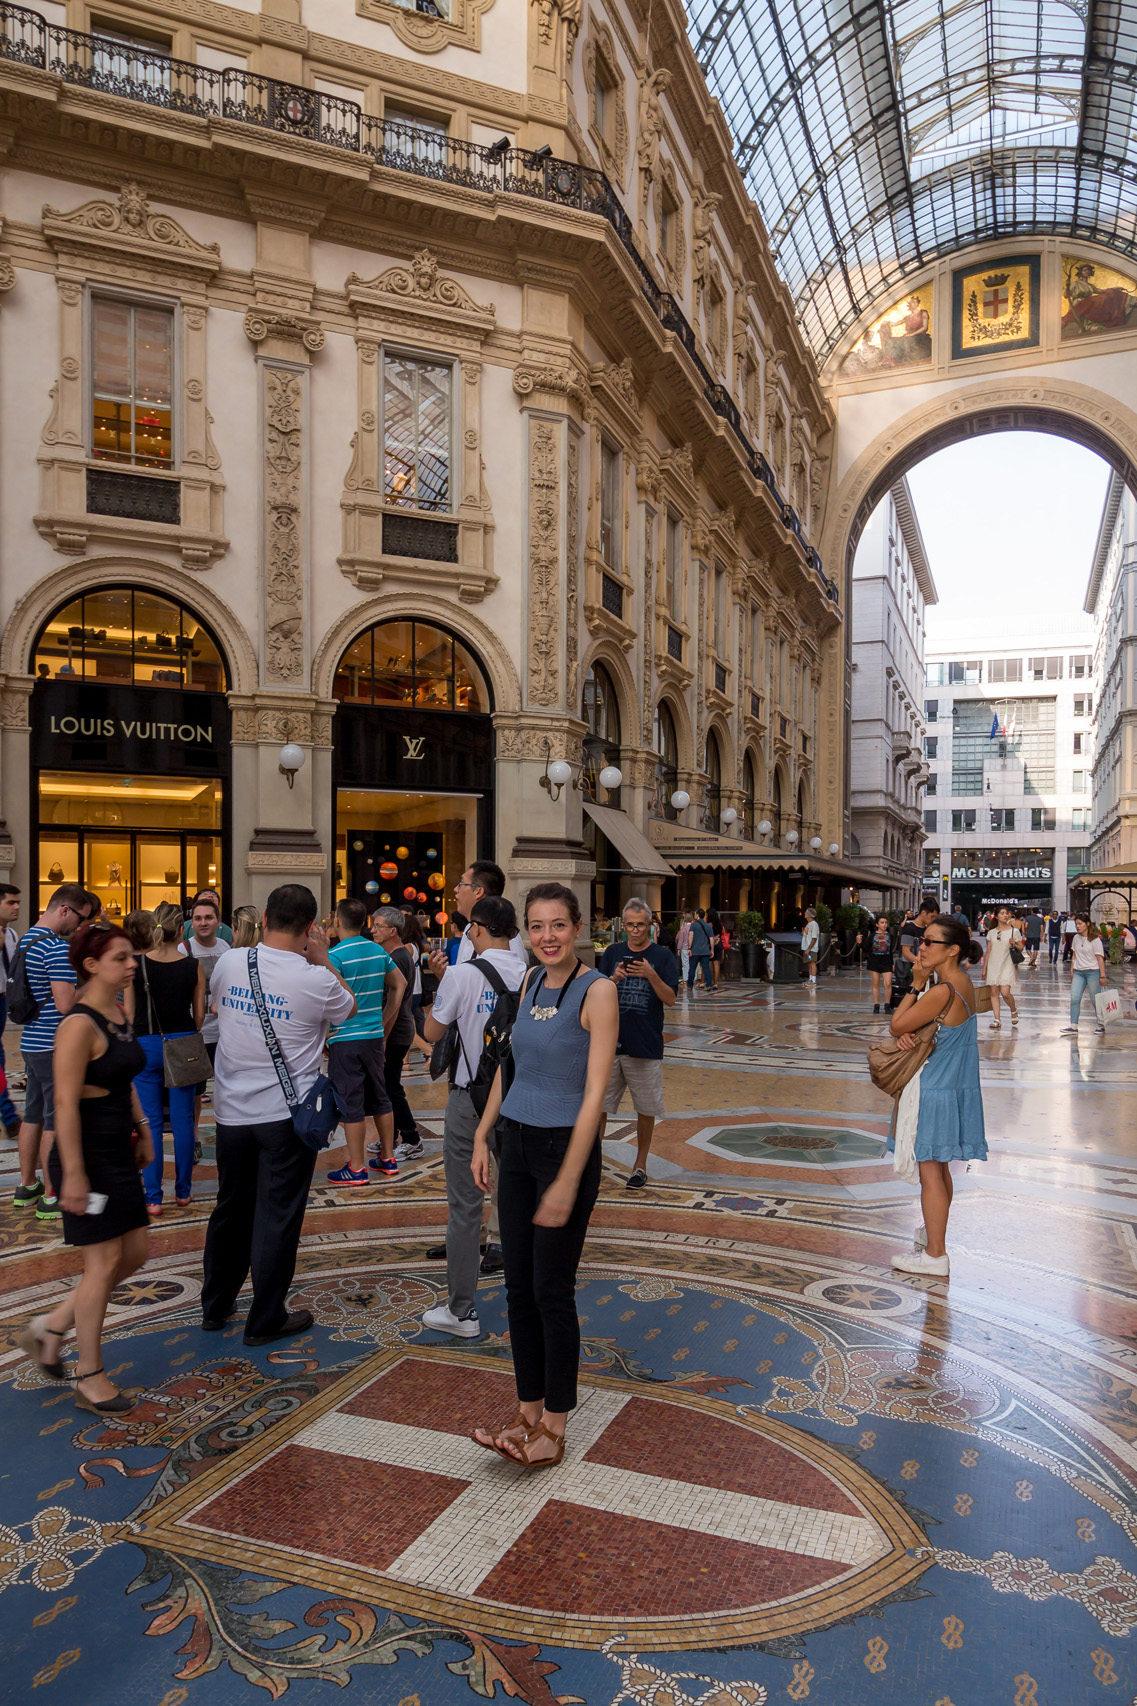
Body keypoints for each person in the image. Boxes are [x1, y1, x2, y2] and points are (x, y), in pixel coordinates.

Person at [469, 882, 618, 1467]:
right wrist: (484, 1134)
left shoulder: (597, 991)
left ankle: (553, 1426)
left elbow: (595, 1097)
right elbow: (513, 1067)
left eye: (557, 925)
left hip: (564, 1152)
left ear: (576, 927)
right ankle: (526, 1410)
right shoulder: (529, 981)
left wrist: (567, 1180)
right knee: (517, 1288)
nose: (546, 937)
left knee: (551, 1291)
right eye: (536, 926)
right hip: (518, 1145)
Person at [201, 885, 355, 1346]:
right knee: (276, 1216)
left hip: (230, 1114)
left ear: (265, 916)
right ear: (311, 928)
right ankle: (265, 1317)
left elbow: (216, 1005)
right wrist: (323, 956)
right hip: (287, 1118)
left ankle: (216, 1304)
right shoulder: (317, 979)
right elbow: (347, 1007)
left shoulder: (231, 961)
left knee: (230, 1208)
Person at [19, 921, 152, 1414]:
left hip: (118, 1146)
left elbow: (123, 1076)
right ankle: (89, 1376)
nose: (131, 964)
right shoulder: (76, 1025)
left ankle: (50, 1328)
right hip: (87, 1154)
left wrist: (142, 1127)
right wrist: (71, 1174)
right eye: (120, 958)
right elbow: (65, 1106)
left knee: (134, 1253)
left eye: (130, 956)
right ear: (91, 965)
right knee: (101, 1265)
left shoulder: (116, 1011)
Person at [420, 895, 527, 1337]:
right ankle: (528, 1302)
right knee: (519, 1198)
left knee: (465, 1205)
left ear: (477, 930)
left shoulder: (462, 974)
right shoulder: (530, 975)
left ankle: (462, 1311)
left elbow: (431, 1032)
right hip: (521, 1100)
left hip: (470, 1099)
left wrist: (439, 983)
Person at [887, 913, 986, 1278]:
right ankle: (934, 1235)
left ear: (953, 950)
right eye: (922, 940)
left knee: (931, 1171)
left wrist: (914, 986)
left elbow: (897, 1023)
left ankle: (935, 1255)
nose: (921, 947)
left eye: (930, 942)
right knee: (940, 1169)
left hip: (935, 1090)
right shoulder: (963, 984)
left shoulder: (941, 990)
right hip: (954, 1089)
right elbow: (927, 1030)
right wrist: (913, 1032)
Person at [14, 883, 95, 1218]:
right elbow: (65, 1004)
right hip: (52, 1045)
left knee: (32, 1115)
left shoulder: (25, 939)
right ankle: (50, 1194)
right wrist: (93, 986)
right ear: (64, 910)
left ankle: (27, 1184)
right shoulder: (54, 948)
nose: (78, 927)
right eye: (79, 919)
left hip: (31, 1041)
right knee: (52, 1120)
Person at [597, 897, 679, 1188]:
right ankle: (593, 1161)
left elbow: (670, 998)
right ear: (623, 926)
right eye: (630, 925)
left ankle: (640, 1165)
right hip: (609, 1045)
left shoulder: (664, 956)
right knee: (598, 1107)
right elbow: (596, 995)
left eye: (640, 925)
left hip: (645, 1045)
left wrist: (652, 975)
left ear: (649, 926)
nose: (634, 931)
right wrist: (614, 979)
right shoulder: (612, 952)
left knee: (645, 1109)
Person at [129, 903, 205, 1215]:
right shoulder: (192, 966)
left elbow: (131, 1015)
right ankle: (184, 1192)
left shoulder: (137, 965)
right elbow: (198, 1017)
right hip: (183, 1042)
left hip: (145, 1044)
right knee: (184, 1120)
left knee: (152, 1121)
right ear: (183, 930)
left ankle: (152, 1196)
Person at [325, 897, 406, 1186]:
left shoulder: (334, 956)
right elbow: (400, 985)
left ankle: (357, 1167)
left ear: (337, 920)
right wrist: (383, 1022)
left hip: (345, 1038)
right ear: (365, 922)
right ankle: (388, 1157)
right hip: (373, 1037)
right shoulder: (378, 951)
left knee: (351, 1104)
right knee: (382, 1098)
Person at [371, 907, 425, 1166]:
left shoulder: (400, 956)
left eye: (378, 926)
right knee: (384, 1086)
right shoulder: (390, 954)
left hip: (396, 1031)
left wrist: (383, 1038)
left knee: (391, 1087)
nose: (373, 930)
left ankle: (412, 1139)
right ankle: (389, 1136)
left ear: (393, 931)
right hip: (391, 1031)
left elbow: (395, 1002)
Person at [185, 895, 230, 1128]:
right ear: (191, 922)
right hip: (196, 1033)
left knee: (226, 1087)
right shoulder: (183, 950)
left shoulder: (226, 949)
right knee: (195, 1091)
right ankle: (193, 1139)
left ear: (218, 921)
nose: (203, 922)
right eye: (198, 918)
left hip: (224, 1032)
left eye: (208, 918)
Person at [448, 862, 528, 971]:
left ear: (478, 891)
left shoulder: (504, 935)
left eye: (461, 883)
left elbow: (513, 982)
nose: (455, 889)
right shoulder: (469, 928)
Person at [1061, 914, 1107, 1036]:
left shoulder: (1095, 939)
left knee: (1095, 999)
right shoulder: (1076, 938)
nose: (1078, 926)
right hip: (1078, 972)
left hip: (1093, 972)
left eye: (1080, 923)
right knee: (1074, 998)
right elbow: (1074, 955)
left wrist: (1102, 976)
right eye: (1076, 924)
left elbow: (1100, 959)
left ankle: (1101, 1024)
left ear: (1087, 924)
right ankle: (1073, 1026)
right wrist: (1072, 970)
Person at [0, 883, 22, 1138]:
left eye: (17, 903)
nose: (16, 907)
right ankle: (8, 1114)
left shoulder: (12, 935)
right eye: (10, 903)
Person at [981, 904, 1021, 1030]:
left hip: (1007, 964)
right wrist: (984, 968)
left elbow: (1021, 947)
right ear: (997, 916)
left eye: (1006, 913)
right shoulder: (991, 933)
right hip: (993, 964)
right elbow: (988, 951)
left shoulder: (1014, 931)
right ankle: (997, 1019)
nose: (1005, 915)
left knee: (1005, 992)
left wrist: (1014, 943)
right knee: (994, 992)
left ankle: (1013, 1010)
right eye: (1002, 913)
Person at [867, 915, 894, 1013]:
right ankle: (876, 1005)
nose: (884, 924)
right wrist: (859, 943)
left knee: (888, 983)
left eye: (886, 922)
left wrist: (892, 963)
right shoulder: (872, 936)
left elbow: (891, 951)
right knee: (876, 984)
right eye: (882, 922)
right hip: (875, 962)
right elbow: (866, 948)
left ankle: (887, 1005)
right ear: (877, 924)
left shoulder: (890, 936)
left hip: (886, 962)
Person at [686, 909, 714, 993]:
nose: (694, 915)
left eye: (695, 914)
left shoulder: (693, 925)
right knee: (706, 968)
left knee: (692, 968)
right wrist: (712, 950)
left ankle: (689, 985)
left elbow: (690, 937)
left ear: (697, 915)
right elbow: (711, 939)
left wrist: (689, 948)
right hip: (705, 951)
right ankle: (708, 985)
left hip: (695, 951)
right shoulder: (708, 926)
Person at [801, 907, 820, 987]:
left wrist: (809, 948)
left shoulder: (814, 925)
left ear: (809, 915)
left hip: (811, 948)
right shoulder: (808, 924)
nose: (804, 914)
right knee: (809, 963)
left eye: (806, 912)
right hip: (807, 947)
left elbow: (814, 938)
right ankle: (810, 979)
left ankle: (813, 980)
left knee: (812, 963)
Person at [675, 911, 693, 990]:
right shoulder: (694, 927)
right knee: (692, 964)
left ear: (685, 920)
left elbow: (681, 940)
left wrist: (678, 949)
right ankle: (693, 978)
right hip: (692, 948)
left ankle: (685, 979)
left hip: (684, 948)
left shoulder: (683, 928)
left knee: (685, 964)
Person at [707, 907, 725, 989]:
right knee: (716, 963)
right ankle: (715, 983)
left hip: (711, 944)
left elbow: (708, 933)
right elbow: (723, 932)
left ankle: (706, 982)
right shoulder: (719, 923)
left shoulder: (709, 923)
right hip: (719, 943)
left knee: (707, 963)